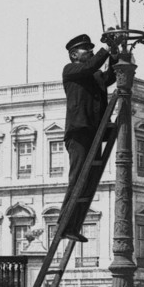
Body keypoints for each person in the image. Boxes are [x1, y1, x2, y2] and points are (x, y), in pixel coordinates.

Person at [58, 34, 118, 242]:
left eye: (92, 49)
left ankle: (73, 225)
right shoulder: (71, 70)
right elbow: (90, 67)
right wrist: (106, 49)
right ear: (74, 54)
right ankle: (65, 225)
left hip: (95, 132)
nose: (91, 52)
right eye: (86, 49)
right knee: (77, 179)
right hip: (79, 131)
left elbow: (109, 76)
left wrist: (116, 52)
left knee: (88, 181)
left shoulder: (93, 75)